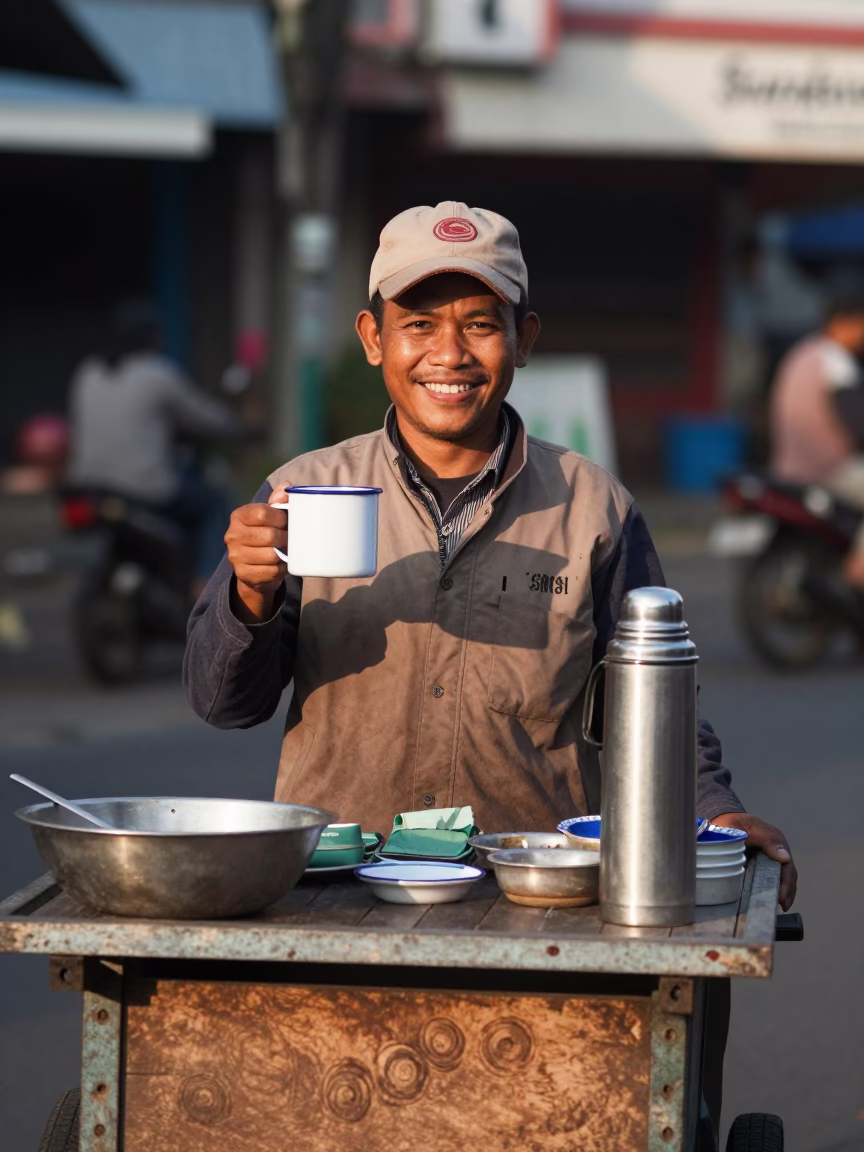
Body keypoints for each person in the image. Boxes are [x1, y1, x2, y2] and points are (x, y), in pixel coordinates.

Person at [184, 203, 797, 1128]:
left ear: (524, 337)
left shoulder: (595, 507)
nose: (450, 353)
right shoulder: (301, 493)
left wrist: (712, 811)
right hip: (341, 906)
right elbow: (222, 703)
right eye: (420, 323)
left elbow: (655, 700)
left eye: (481, 323)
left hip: (540, 912)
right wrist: (250, 596)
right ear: (372, 338)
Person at [67, 300, 239, 592]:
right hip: (145, 489)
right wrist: (237, 426)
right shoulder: (157, 374)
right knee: (215, 505)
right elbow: (206, 418)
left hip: (88, 485)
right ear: (151, 337)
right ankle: (206, 583)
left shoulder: (88, 372)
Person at [770, 284, 864, 588]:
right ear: (841, 323)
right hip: (825, 469)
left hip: (789, 466)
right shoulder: (836, 362)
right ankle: (858, 568)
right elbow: (855, 422)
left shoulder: (803, 352)